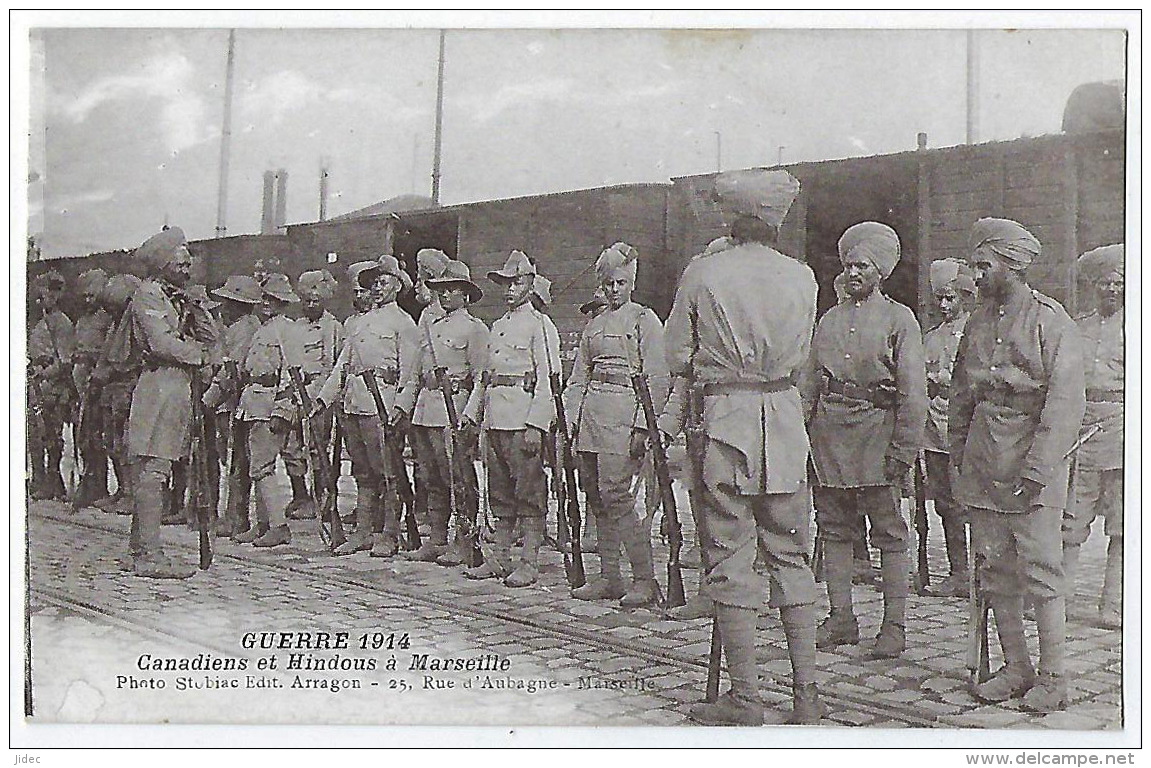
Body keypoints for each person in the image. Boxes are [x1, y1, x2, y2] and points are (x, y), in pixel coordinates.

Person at [658, 168, 823, 725]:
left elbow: (676, 354)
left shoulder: (705, 274)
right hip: (784, 420)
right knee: (792, 555)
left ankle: (747, 699)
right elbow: (805, 356)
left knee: (730, 557)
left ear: (732, 218)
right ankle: (807, 697)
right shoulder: (803, 277)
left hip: (726, 421)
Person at [951, 217, 1085, 713]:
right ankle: (1016, 668)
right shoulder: (977, 321)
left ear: (1012, 266)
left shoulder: (1052, 323)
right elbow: (962, 397)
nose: (975, 274)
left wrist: (1037, 470)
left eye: (983, 266)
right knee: (995, 570)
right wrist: (958, 463)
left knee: (1042, 571)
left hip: (1033, 463)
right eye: (973, 265)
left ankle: (1054, 677)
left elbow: (1065, 405)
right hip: (984, 461)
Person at [808, 221, 927, 661]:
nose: (853, 273)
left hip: (878, 437)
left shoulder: (900, 320)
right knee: (834, 531)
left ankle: (893, 627)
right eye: (848, 265)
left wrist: (903, 449)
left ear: (881, 271)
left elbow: (913, 392)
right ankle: (841, 618)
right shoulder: (829, 320)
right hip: (829, 439)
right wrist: (803, 437)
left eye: (862, 266)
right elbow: (810, 384)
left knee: (890, 535)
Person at [565, 242, 667, 608]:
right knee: (594, 496)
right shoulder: (594, 325)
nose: (613, 290)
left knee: (617, 496)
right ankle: (610, 577)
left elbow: (657, 376)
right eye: (608, 284)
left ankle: (645, 579)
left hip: (624, 417)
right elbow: (579, 377)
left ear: (632, 283)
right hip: (592, 415)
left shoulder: (644, 320)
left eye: (620, 283)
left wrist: (643, 426)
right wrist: (570, 421)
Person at [123, 227, 220, 578]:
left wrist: (199, 308)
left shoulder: (179, 296)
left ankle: (139, 547)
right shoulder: (148, 295)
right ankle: (150, 555)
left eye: (187, 261)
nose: (187, 266)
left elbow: (214, 340)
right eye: (180, 262)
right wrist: (201, 356)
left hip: (180, 387)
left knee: (155, 467)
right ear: (163, 264)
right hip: (159, 385)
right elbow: (162, 343)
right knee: (153, 469)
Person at [461, 250, 555, 586]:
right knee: (499, 493)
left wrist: (536, 424)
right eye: (505, 283)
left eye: (516, 282)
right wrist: (473, 414)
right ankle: (499, 558)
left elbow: (548, 379)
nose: (510, 289)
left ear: (530, 283)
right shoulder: (498, 326)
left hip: (521, 420)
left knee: (528, 493)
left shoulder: (540, 326)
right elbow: (486, 378)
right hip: (495, 420)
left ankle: (528, 561)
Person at [318, 256, 418, 558]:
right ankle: (362, 532)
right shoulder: (360, 323)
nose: (376, 287)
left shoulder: (403, 323)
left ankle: (389, 533)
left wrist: (401, 407)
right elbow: (342, 365)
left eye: (383, 281)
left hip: (382, 406)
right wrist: (324, 398)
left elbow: (410, 373)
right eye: (374, 282)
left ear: (397, 286)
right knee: (361, 473)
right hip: (353, 403)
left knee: (387, 472)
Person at [396, 260, 488, 566]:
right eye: (442, 290)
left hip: (453, 410)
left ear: (465, 294)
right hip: (425, 409)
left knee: (458, 479)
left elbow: (480, 378)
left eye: (452, 290)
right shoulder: (429, 327)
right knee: (430, 477)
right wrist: (402, 407)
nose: (445, 296)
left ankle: (465, 541)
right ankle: (436, 540)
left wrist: (470, 416)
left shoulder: (475, 330)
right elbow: (414, 373)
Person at [1062, 244, 1124, 630]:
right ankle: (1060, 599)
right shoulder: (1078, 327)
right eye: (1104, 284)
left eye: (1118, 283)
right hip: (1083, 430)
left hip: (1124, 431)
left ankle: (1114, 604)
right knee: (1072, 519)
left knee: (1123, 523)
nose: (1111, 290)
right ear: (1093, 287)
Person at [232, 273, 301, 548]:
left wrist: (283, 410)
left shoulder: (287, 330)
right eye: (264, 298)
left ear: (283, 302)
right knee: (256, 467)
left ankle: (279, 526)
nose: (267, 304)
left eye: (273, 300)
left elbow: (294, 375)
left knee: (263, 467)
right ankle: (263, 525)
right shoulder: (263, 329)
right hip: (253, 403)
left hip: (270, 404)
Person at [922, 258, 978, 597]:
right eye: (940, 298)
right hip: (934, 431)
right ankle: (958, 571)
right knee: (944, 504)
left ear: (964, 297)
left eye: (950, 298)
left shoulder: (975, 331)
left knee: (969, 503)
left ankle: (981, 573)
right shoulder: (930, 338)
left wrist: (947, 380)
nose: (944, 305)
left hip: (966, 431)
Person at [202, 274, 263, 538]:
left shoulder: (247, 329)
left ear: (241, 305)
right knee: (232, 460)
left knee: (238, 461)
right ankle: (231, 515)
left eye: (229, 302)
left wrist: (210, 397)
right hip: (227, 403)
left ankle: (236, 517)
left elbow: (232, 370)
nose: (224, 307)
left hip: (236, 402)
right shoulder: (231, 327)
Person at [282, 270, 343, 521]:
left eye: (315, 300)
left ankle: (323, 496)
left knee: (319, 446)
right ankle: (300, 496)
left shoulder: (333, 328)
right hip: (295, 393)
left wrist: (321, 397)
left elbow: (336, 365)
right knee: (291, 447)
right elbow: (286, 362)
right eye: (306, 300)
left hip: (320, 396)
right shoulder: (294, 327)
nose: (310, 305)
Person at [93, 273, 144, 518]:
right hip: (112, 392)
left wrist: (109, 372)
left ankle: (133, 494)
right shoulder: (115, 326)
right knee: (112, 443)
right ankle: (122, 490)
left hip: (128, 389)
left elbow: (129, 361)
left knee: (127, 445)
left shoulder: (137, 327)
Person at [27, 270, 75, 502]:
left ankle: (53, 482)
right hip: (37, 384)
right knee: (35, 435)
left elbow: (65, 360)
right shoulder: (40, 322)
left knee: (52, 437)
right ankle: (39, 479)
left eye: (46, 291)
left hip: (53, 387)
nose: (42, 296)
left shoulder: (62, 323)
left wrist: (45, 373)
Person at [71, 268, 114, 507]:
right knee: (84, 437)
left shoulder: (106, 320)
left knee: (100, 437)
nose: (88, 300)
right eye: (84, 296)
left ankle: (100, 486)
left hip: (99, 385)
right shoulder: (82, 320)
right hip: (81, 386)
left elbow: (108, 352)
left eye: (92, 295)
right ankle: (88, 483)